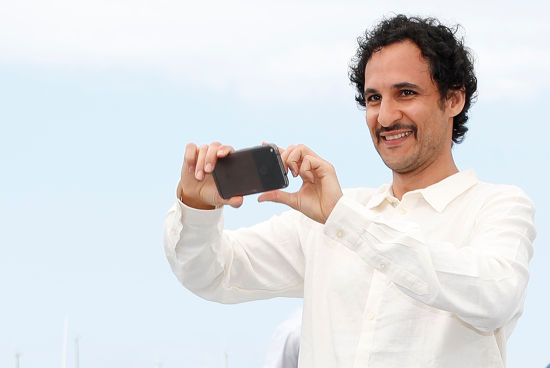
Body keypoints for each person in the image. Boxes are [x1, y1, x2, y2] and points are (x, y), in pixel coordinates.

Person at [163, 15, 536, 368]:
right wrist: (197, 205)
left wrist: (345, 219)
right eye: (373, 98)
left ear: (454, 99)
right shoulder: (326, 219)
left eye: (405, 93)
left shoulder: (498, 206)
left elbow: (493, 297)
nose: (386, 117)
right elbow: (211, 274)